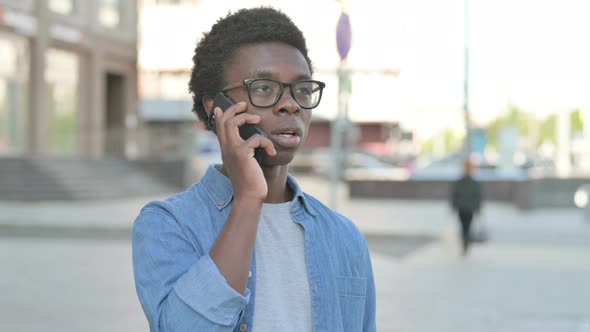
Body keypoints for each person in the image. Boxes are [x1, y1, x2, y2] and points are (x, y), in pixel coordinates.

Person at [132, 7, 376, 332]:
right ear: (215, 107)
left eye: (302, 89)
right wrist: (248, 201)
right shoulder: (168, 225)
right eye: (264, 88)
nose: (290, 104)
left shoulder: (344, 237)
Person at [450, 158, 483, 256]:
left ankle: (465, 244)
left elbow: (454, 195)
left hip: (462, 208)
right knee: (467, 227)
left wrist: (453, 207)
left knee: (463, 228)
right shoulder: (474, 182)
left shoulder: (459, 182)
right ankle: (466, 244)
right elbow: (477, 197)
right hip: (469, 208)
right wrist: (478, 208)